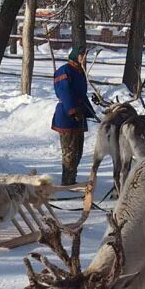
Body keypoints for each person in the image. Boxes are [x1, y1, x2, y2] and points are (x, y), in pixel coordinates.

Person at [52, 45, 97, 185]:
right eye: (81, 55)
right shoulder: (64, 70)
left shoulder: (80, 71)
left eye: (85, 56)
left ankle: (72, 178)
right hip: (67, 116)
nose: (84, 58)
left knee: (78, 151)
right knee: (70, 152)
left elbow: (80, 94)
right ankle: (67, 182)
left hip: (79, 117)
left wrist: (91, 110)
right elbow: (65, 92)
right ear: (75, 55)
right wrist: (74, 110)